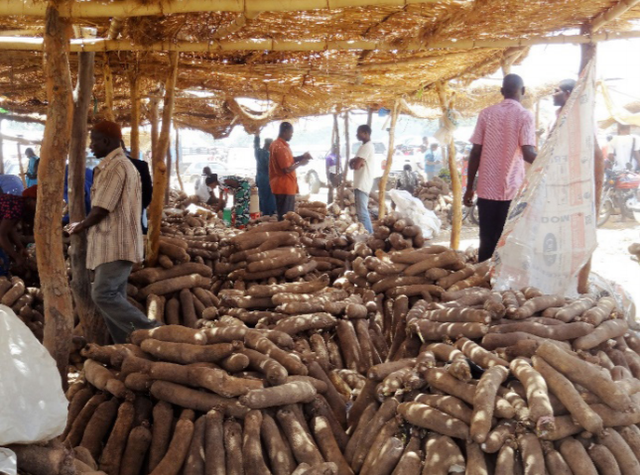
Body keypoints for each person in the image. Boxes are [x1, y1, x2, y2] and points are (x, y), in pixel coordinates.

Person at [67, 121, 158, 344]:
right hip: (114, 243)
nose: (90, 146)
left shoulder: (117, 167)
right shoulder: (117, 165)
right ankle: (127, 345)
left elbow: (101, 208)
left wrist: (80, 225)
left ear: (106, 141)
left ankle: (153, 331)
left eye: (94, 140)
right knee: (115, 296)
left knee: (102, 294)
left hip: (116, 243)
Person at [465, 74, 537, 262]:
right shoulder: (525, 115)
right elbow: (529, 153)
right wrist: (549, 161)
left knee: (486, 238)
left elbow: (475, 152)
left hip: (486, 189)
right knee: (506, 239)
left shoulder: (486, 114)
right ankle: (501, 282)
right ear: (523, 91)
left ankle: (483, 279)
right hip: (512, 191)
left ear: (502, 92)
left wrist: (469, 188)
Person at [269, 122, 311, 220]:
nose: (291, 135)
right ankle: (285, 233)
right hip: (284, 186)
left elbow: (289, 161)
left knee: (284, 216)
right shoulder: (280, 147)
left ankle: (284, 232)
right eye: (291, 133)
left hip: (281, 186)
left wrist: (302, 157)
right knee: (286, 218)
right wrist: (301, 163)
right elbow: (286, 169)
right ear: (285, 132)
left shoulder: (278, 145)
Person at [0, 185, 37, 275]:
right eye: (37, 201)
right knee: (2, 262)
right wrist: (16, 256)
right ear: (29, 200)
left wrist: (21, 247)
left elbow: (11, 229)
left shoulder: (20, 206)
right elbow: (2, 235)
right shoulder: (16, 207)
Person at [121, 140, 153, 233]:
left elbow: (147, 192)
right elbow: (148, 193)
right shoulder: (141, 165)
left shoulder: (140, 166)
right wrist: (140, 206)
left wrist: (140, 206)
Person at [350, 124, 375, 233]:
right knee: (361, 212)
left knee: (362, 213)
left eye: (359, 132)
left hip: (362, 183)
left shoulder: (367, 147)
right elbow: (353, 164)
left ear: (366, 133)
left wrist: (355, 162)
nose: (357, 135)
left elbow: (355, 165)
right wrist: (354, 162)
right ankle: (368, 234)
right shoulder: (364, 146)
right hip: (360, 183)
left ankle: (369, 235)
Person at [254, 134, 276, 216]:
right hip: (268, 178)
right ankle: (269, 213)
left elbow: (256, 145)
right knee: (269, 197)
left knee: (262, 196)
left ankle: (263, 212)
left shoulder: (258, 152)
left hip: (260, 178)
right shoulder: (268, 155)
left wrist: (257, 136)